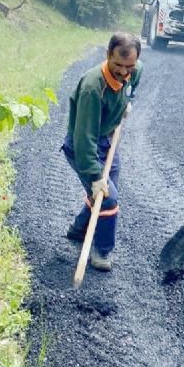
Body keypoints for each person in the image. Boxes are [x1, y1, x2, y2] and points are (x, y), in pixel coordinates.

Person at [61, 32, 143, 271]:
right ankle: (101, 252)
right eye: (118, 65)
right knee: (108, 198)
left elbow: (134, 80)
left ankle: (79, 229)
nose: (124, 72)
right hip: (83, 147)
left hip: (108, 141)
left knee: (104, 194)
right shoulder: (92, 88)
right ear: (108, 55)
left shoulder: (134, 70)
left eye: (129, 66)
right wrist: (96, 176)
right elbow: (84, 138)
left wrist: (128, 100)